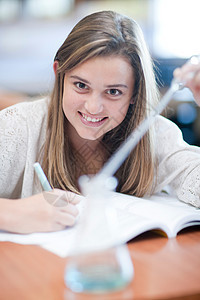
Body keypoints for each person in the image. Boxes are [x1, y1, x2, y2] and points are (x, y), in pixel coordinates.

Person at [0, 11, 200, 234]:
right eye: (81, 86)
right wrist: (10, 213)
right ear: (59, 74)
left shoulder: (155, 135)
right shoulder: (18, 127)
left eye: (113, 91)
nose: (93, 107)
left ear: (134, 93)